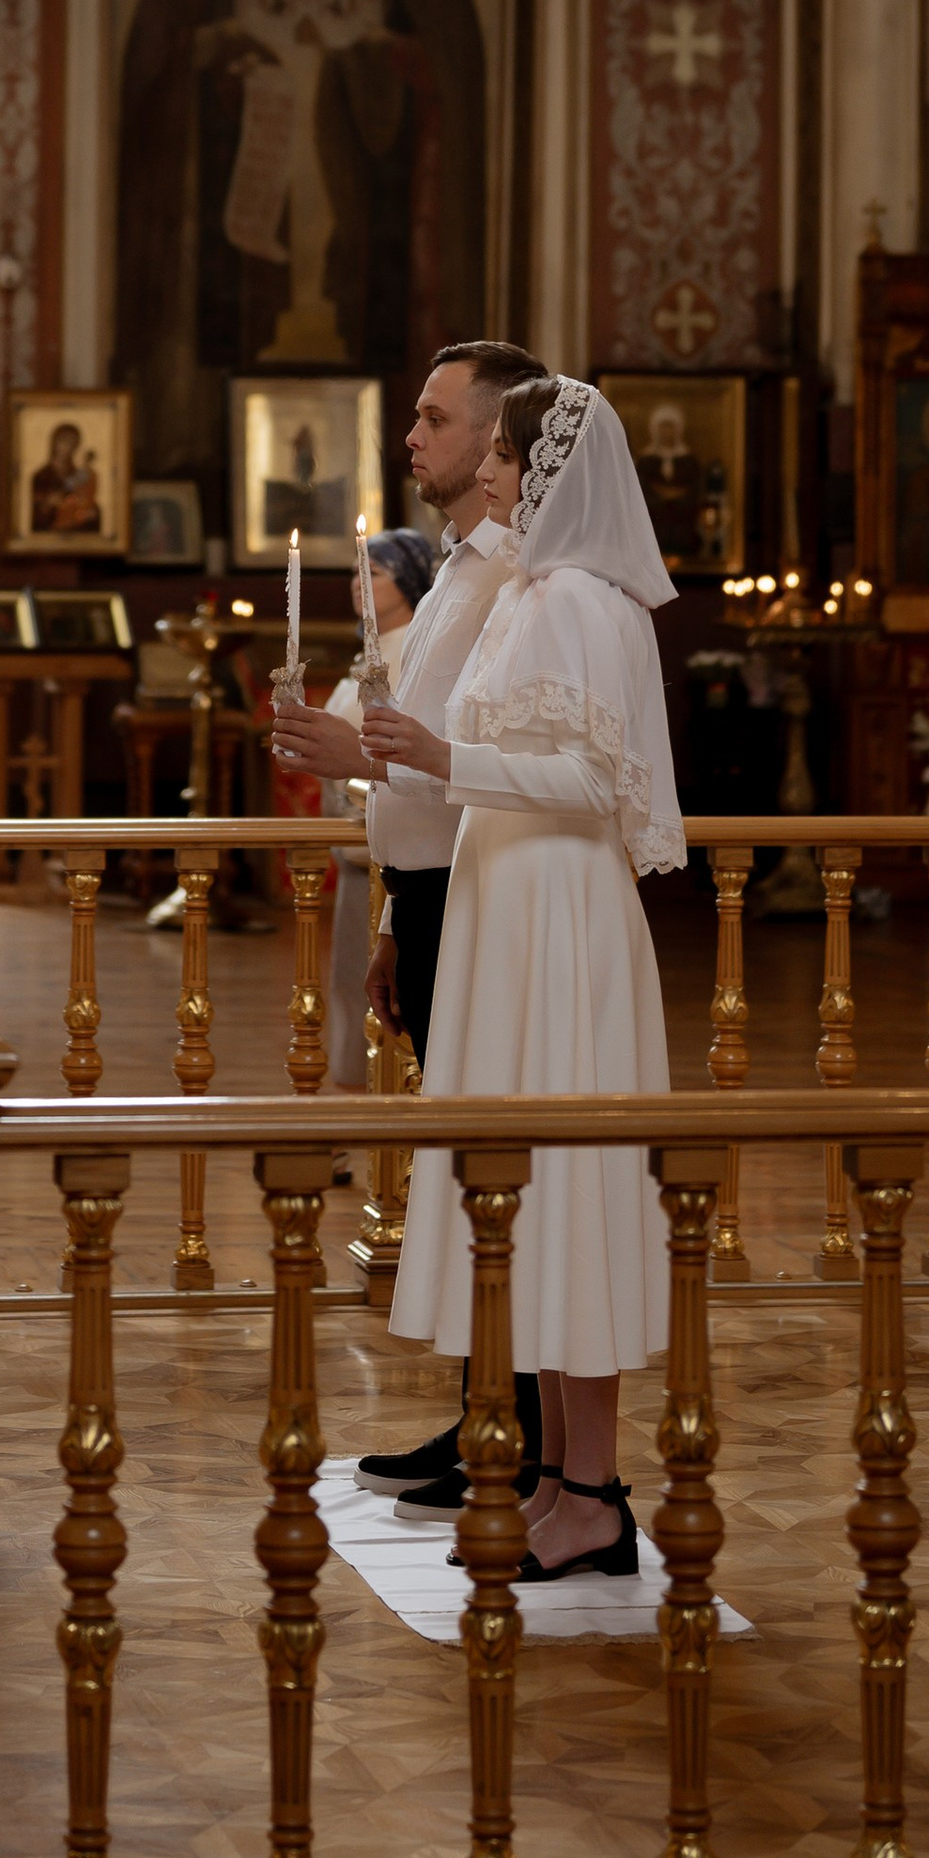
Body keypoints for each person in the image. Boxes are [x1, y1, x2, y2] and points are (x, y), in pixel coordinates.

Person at [365, 372, 682, 1578]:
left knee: (573, 1194)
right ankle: (560, 1476)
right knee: (531, 1198)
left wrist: (442, 754)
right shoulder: (529, 593)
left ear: (551, 469)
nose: (488, 472)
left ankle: (594, 1488)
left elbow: (601, 785)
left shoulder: (583, 603)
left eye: (505, 453)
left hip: (559, 908)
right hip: (514, 896)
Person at [269, 336, 544, 1508]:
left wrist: (354, 758)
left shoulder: (514, 577)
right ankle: (486, 1412)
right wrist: (390, 914)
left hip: (485, 891)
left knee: (502, 1174)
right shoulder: (455, 564)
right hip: (430, 894)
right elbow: (422, 760)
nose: (413, 436)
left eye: (435, 417)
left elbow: (484, 757)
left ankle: (519, 1429)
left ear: (498, 435)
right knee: (462, 1169)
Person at [310, 523, 435, 1091]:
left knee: (372, 985)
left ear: (408, 581)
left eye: (375, 572)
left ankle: (370, 1111)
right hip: (354, 837)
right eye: (355, 572)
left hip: (389, 840)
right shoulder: (372, 651)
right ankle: (346, 1108)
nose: (359, 583)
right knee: (344, 981)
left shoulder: (415, 649)